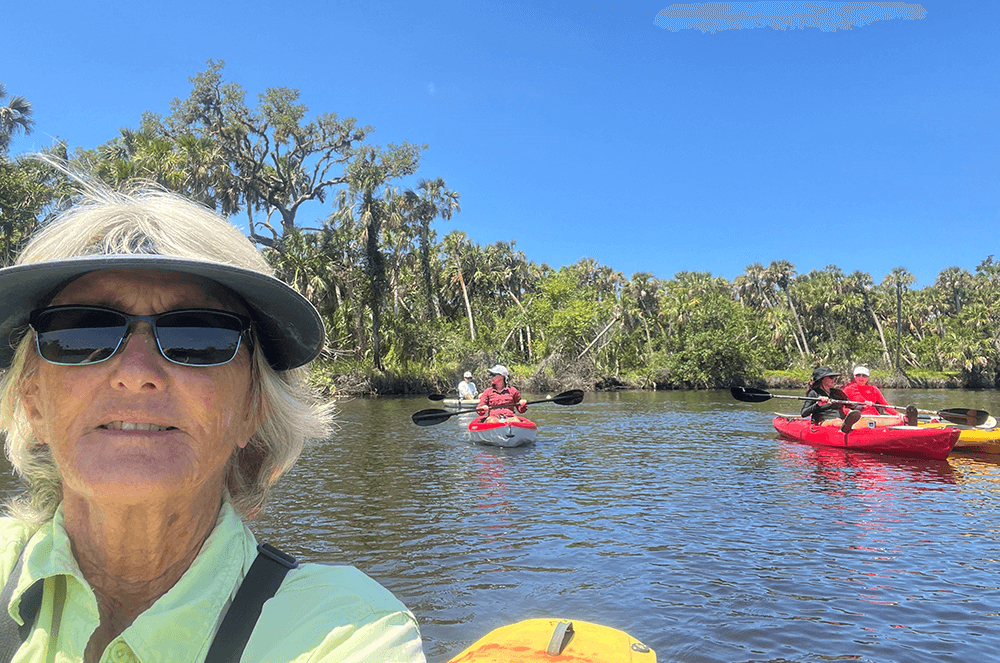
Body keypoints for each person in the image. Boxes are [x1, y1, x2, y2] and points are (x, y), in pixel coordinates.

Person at [0, 177, 425, 662]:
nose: (136, 374)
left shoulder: (344, 631)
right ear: (32, 401)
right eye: (80, 335)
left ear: (253, 406)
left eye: (197, 337)